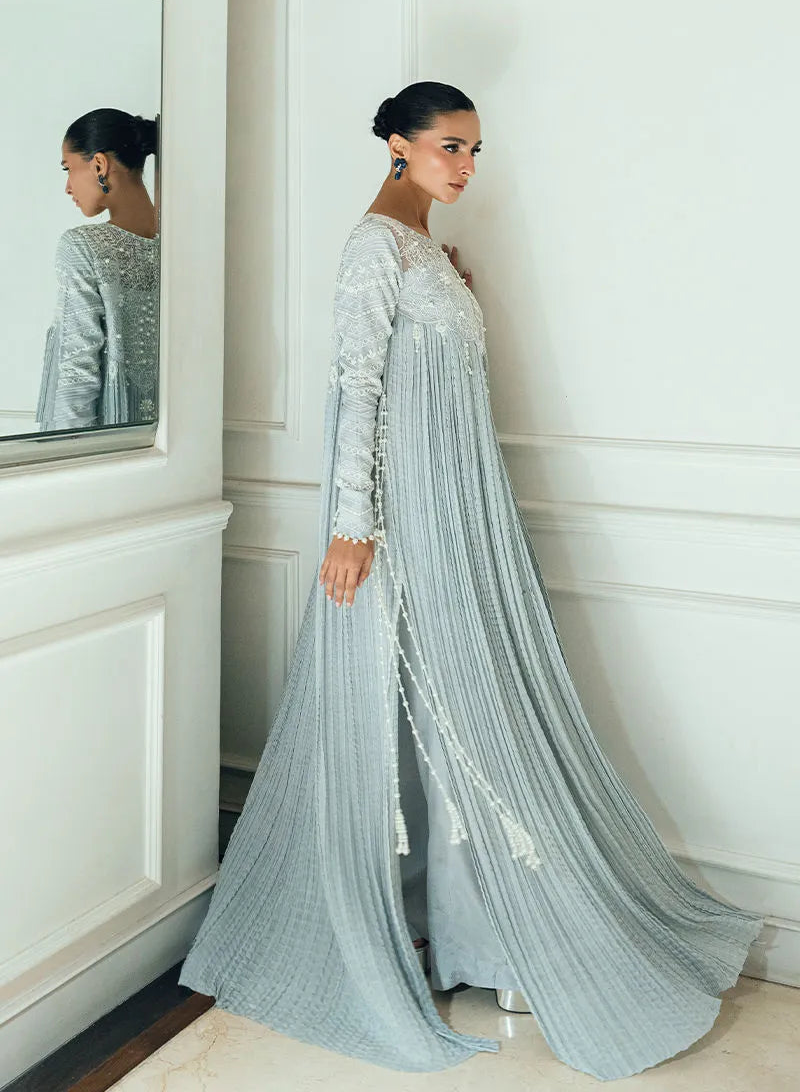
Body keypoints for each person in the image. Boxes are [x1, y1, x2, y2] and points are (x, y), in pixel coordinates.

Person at [178, 81, 764, 1081]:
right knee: (426, 706)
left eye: (475, 150)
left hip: (456, 515)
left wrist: (450, 290)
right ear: (398, 145)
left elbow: (432, 378)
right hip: (396, 522)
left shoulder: (422, 253)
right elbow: (357, 387)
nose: (466, 167)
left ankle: (471, 930)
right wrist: (351, 528)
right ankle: (453, 932)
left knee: (464, 701)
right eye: (450, 146)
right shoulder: (371, 246)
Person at [36, 108, 160, 432]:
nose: (67, 187)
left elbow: (77, 374)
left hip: (109, 448)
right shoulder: (186, 242)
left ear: (99, 165)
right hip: (176, 446)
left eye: (68, 169)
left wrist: (66, 456)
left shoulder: (82, 248)